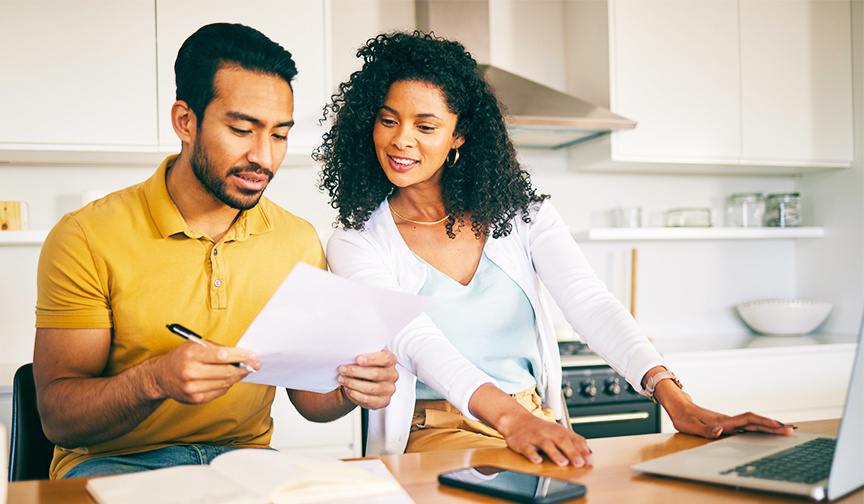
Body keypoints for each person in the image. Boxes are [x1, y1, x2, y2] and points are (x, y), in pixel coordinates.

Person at [315, 31, 794, 467]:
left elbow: (591, 303)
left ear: (458, 136)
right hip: (436, 433)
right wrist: (509, 420)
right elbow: (416, 342)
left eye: (425, 126)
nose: (401, 140)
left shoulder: (522, 216)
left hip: (533, 418)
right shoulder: (356, 241)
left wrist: (676, 401)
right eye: (388, 121)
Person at [33, 22, 397, 480]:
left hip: (247, 466)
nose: (264, 157)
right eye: (242, 129)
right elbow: (58, 418)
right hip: (115, 466)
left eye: (279, 135)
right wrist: (154, 380)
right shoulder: (86, 236)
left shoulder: (297, 241)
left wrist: (352, 388)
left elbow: (309, 401)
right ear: (186, 121)